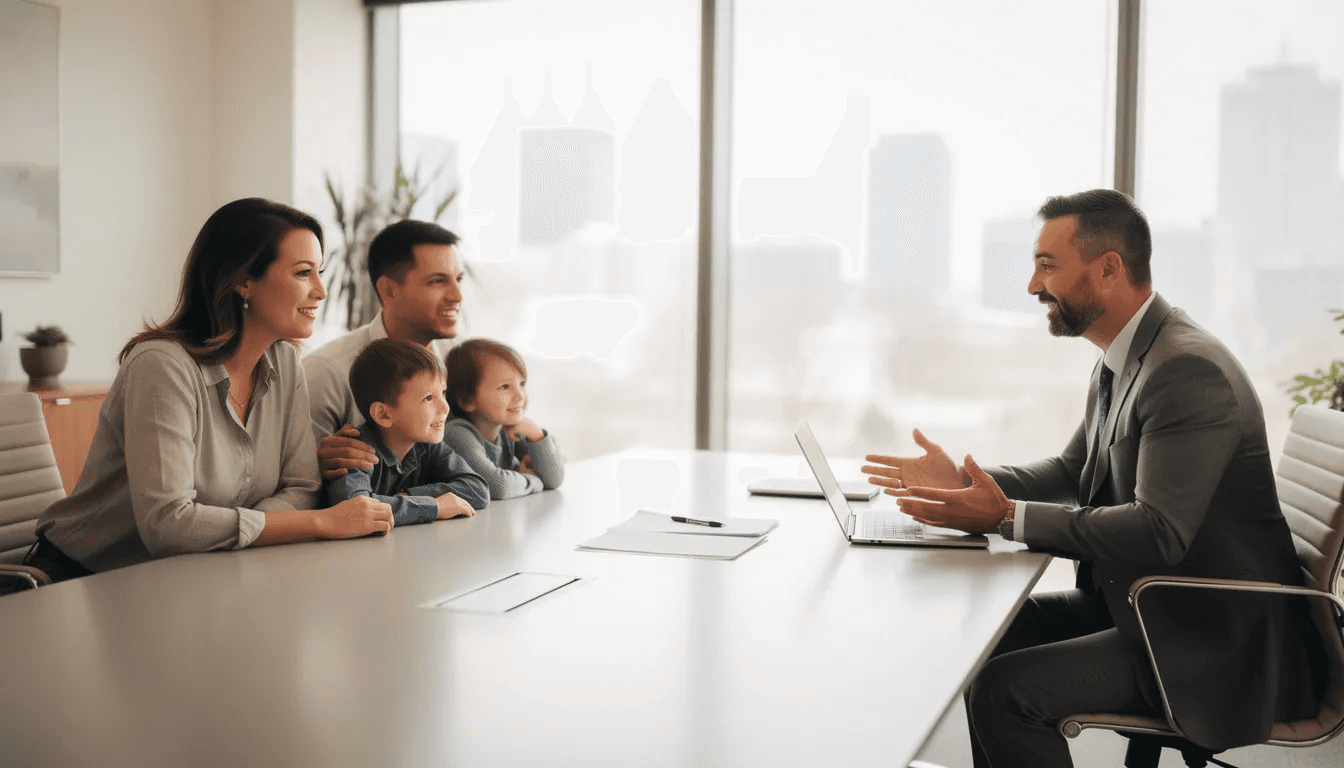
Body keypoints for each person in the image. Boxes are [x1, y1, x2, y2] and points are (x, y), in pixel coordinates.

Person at [862, 189, 1321, 768]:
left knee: (1008, 692)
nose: (1032, 286)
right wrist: (960, 480)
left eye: (1047, 266)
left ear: (1109, 269)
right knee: (987, 640)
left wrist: (1004, 517)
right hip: (1152, 605)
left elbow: (1160, 531)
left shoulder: (1185, 370)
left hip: (1212, 638)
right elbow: (1070, 471)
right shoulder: (1128, 354)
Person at [27, 198, 394, 580]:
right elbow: (168, 525)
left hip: (196, 573)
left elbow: (302, 486)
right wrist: (319, 523)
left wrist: (244, 528)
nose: (320, 291)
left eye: (319, 272)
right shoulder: (162, 367)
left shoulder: (285, 362)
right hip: (82, 578)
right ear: (243, 281)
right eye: (303, 273)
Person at [302, 219, 464, 478]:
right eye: (437, 281)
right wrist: (318, 466)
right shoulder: (327, 372)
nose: (457, 296)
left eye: (458, 279)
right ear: (388, 290)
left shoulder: (460, 360)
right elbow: (299, 478)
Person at [324, 339, 489, 524]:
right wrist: (434, 506)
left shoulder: (427, 445)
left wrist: (406, 497)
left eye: (443, 393)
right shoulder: (355, 452)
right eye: (428, 398)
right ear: (384, 414)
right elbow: (356, 509)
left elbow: (478, 489)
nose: (445, 408)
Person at [442, 338, 564, 499]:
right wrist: (533, 480)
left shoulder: (505, 433)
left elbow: (554, 480)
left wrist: (537, 436)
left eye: (521, 384)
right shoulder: (456, 433)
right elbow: (497, 486)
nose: (520, 395)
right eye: (504, 387)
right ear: (467, 400)